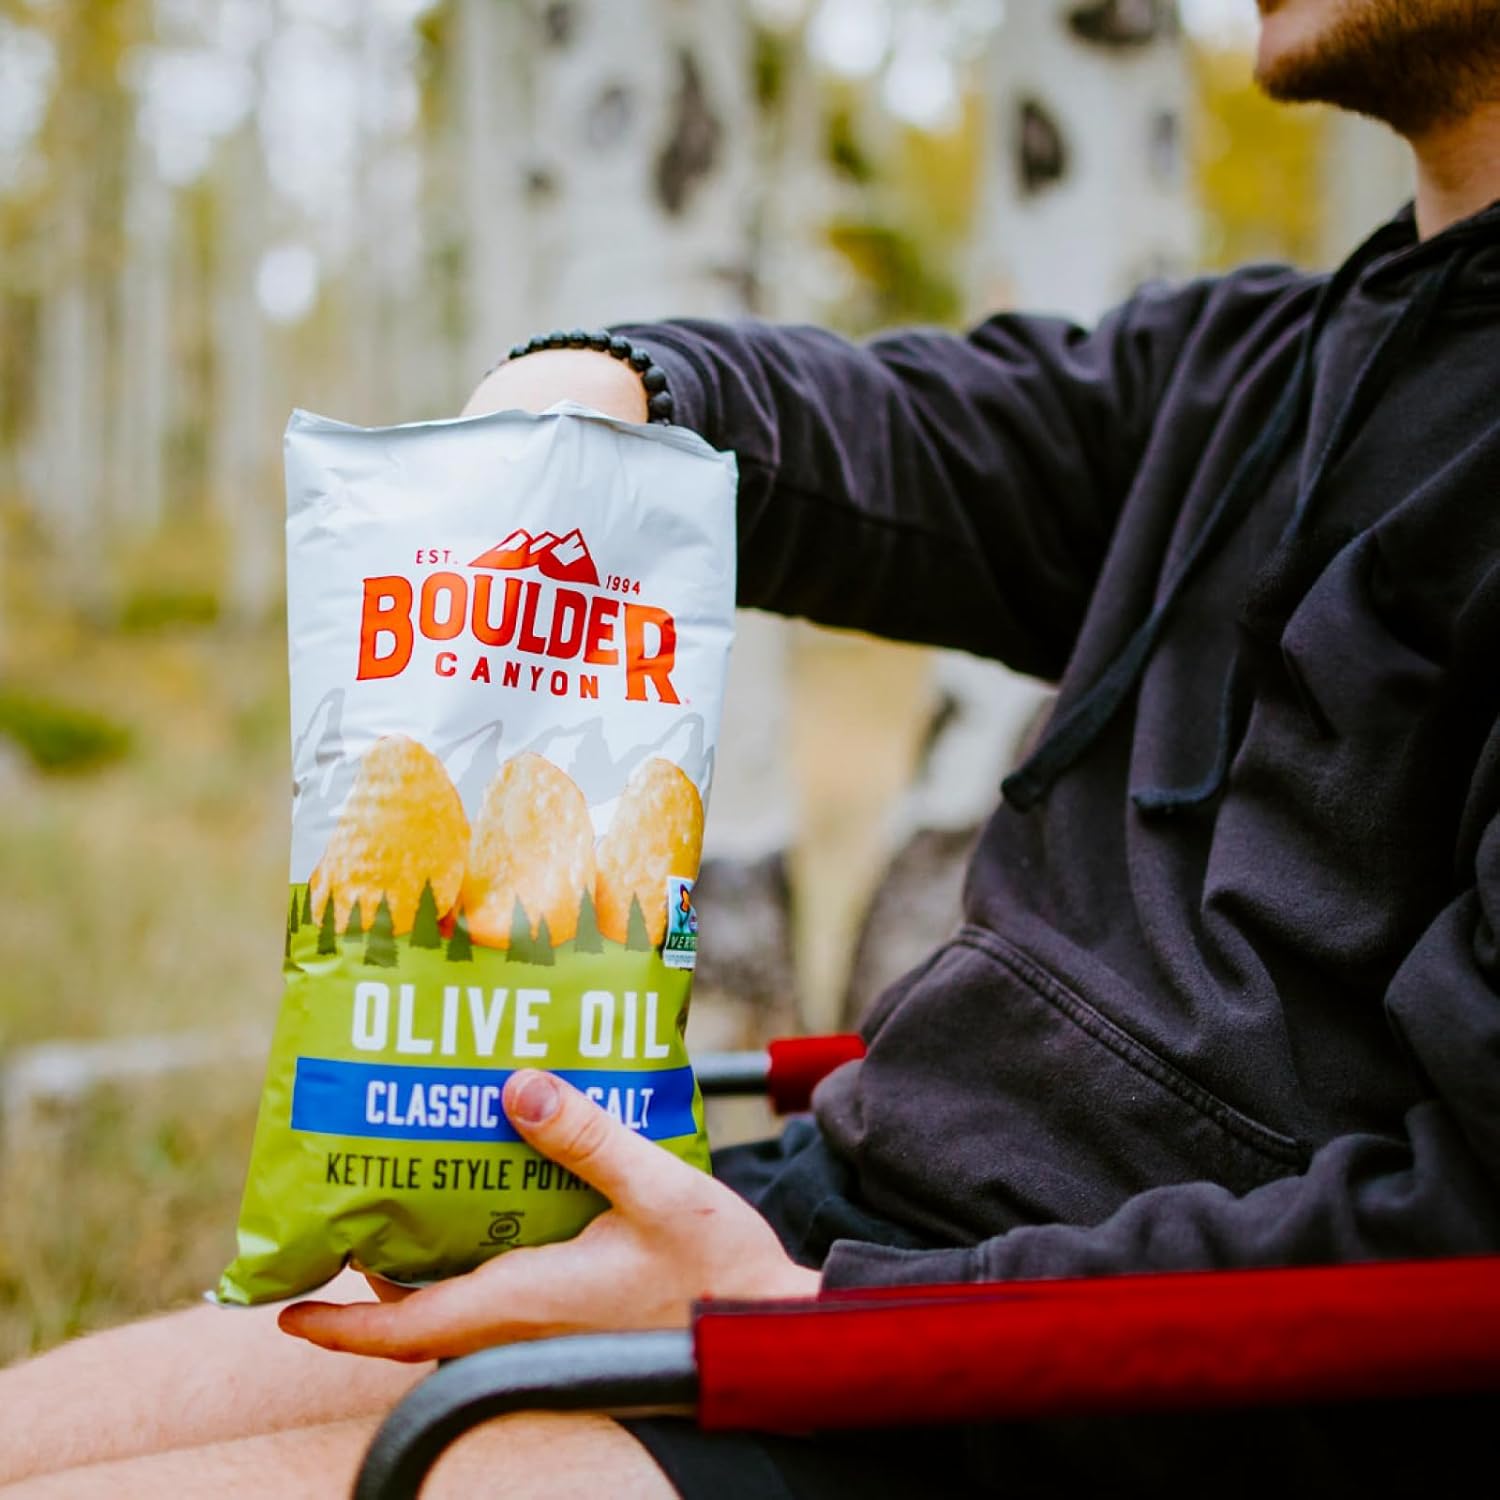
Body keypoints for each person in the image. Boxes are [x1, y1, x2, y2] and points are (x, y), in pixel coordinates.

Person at [5, 1, 1500, 1494]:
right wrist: (627, 389)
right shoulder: (1253, 365)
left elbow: (1464, 1230)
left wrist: (815, 1326)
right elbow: (926, 434)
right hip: (821, 1239)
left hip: (1073, 1390)